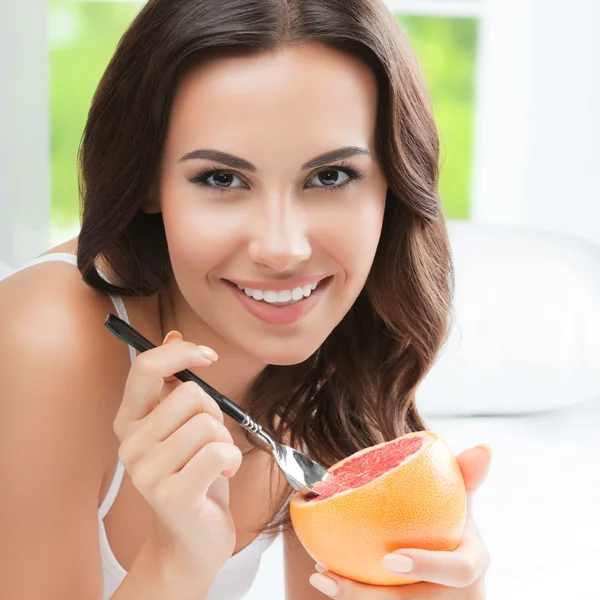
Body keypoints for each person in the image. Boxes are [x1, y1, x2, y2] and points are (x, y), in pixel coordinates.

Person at [0, 0, 492, 598]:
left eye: (331, 176)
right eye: (222, 179)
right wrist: (180, 558)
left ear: (393, 182)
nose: (282, 249)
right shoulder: (44, 340)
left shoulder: (338, 354)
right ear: (149, 181)